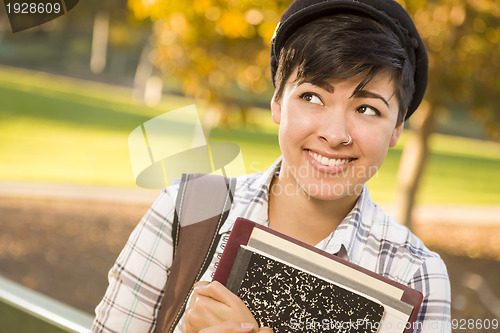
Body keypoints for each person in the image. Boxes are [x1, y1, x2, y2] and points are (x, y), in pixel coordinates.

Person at [92, 0, 451, 332]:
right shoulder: (186, 208)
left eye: (366, 109)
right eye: (312, 97)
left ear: (398, 127)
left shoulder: (417, 273)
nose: (335, 134)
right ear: (277, 102)